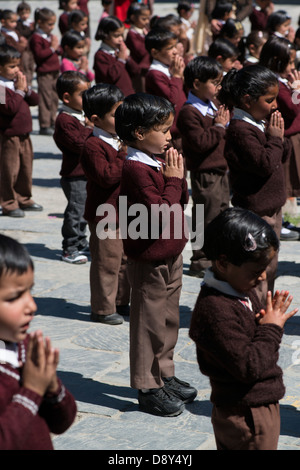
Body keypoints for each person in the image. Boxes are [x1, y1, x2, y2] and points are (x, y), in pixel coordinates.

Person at [115, 93, 197, 416]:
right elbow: (160, 212)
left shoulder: (159, 159)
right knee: (148, 321)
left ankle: (165, 372)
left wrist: (179, 175)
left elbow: (181, 200)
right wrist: (174, 181)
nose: (169, 136)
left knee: (169, 317)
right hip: (148, 256)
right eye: (163, 130)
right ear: (138, 132)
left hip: (171, 251)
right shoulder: (136, 168)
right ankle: (147, 385)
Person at [189, 207, 298, 450]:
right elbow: (248, 366)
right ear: (224, 263)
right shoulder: (215, 310)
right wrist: (271, 327)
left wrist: (265, 321)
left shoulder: (238, 289)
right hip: (245, 414)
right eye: (255, 271)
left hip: (256, 405)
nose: (261, 278)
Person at [218, 64, 292, 303]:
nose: (275, 105)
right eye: (270, 100)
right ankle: (255, 314)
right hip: (256, 212)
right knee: (257, 270)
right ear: (248, 100)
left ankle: (263, 310)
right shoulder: (241, 130)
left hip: (271, 209)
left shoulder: (259, 124)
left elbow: (282, 153)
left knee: (270, 267)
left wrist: (278, 137)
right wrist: (274, 139)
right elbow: (264, 164)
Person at [0, 233, 77, 450]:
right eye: (14, 297)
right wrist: (32, 391)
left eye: (30, 291)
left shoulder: (23, 350)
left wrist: (51, 386)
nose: (32, 306)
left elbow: (62, 423)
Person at [81, 84, 130, 325]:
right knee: (106, 262)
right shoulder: (93, 145)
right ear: (95, 119)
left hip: (126, 212)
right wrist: (124, 154)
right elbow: (107, 176)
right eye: (114, 114)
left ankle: (121, 301)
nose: (120, 118)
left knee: (124, 261)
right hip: (105, 215)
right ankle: (102, 308)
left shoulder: (118, 139)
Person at [177, 56, 230, 277]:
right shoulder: (189, 112)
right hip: (204, 173)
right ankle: (200, 259)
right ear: (197, 84)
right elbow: (199, 143)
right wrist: (218, 126)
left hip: (221, 171)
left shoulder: (213, 105)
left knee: (220, 215)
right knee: (204, 217)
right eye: (214, 83)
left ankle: (217, 255)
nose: (218, 87)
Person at [259, 36, 300, 226]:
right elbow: (293, 109)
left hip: (291, 136)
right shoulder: (275, 84)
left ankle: (284, 220)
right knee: (285, 181)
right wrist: (296, 90)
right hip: (284, 137)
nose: (293, 66)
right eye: (289, 61)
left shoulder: (281, 81)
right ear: (276, 61)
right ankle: (281, 221)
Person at [53, 71, 92, 264]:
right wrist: (91, 127)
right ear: (67, 97)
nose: (88, 98)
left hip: (86, 174)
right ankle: (69, 248)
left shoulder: (81, 115)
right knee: (75, 212)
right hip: (74, 176)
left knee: (85, 211)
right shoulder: (65, 119)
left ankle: (81, 242)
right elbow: (79, 144)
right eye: (83, 94)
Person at [0, 45, 42, 218]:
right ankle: (8, 202)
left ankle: (24, 198)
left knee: (25, 168)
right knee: (9, 170)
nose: (16, 69)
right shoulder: (1, 87)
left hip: (24, 134)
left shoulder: (17, 83)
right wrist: (18, 90)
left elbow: (35, 100)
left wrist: (26, 89)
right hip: (9, 136)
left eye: (17, 65)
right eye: (12, 66)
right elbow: (10, 107)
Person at [145, 27, 186, 152]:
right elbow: (172, 98)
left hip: (180, 129)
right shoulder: (155, 74)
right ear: (155, 53)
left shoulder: (170, 68)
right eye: (169, 48)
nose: (175, 51)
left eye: (175, 46)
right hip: (169, 131)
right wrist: (177, 77)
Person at [30, 7, 61, 136]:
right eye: (49, 24)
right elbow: (39, 55)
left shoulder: (49, 36)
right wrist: (52, 48)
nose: (52, 27)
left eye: (53, 23)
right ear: (40, 22)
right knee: (45, 99)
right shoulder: (37, 38)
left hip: (54, 71)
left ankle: (53, 121)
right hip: (45, 73)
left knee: (54, 98)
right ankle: (44, 124)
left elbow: (58, 51)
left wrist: (57, 47)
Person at [93, 16, 135, 96]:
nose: (121, 39)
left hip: (128, 95)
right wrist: (121, 60)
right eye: (116, 36)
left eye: (121, 35)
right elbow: (111, 77)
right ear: (105, 35)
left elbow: (135, 71)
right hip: (114, 99)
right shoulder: (101, 56)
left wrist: (127, 58)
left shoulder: (119, 52)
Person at [125, 2, 151, 92]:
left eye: (148, 18)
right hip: (138, 72)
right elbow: (141, 51)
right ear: (133, 18)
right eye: (144, 19)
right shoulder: (132, 34)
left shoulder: (144, 31)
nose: (147, 21)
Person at [16, 2, 35, 87]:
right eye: (22, 13)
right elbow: (22, 33)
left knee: (31, 66)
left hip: (31, 49)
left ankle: (30, 82)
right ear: (19, 13)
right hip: (24, 50)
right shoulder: (18, 24)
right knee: (25, 66)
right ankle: (27, 84)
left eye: (27, 13)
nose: (25, 15)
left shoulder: (31, 23)